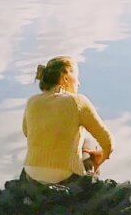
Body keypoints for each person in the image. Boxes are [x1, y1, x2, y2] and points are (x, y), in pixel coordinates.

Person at [22, 56, 113, 184]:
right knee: (89, 144)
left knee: (83, 143)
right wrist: (101, 159)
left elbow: (27, 133)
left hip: (31, 175)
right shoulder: (77, 101)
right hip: (64, 178)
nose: (79, 83)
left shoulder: (32, 101)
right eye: (77, 76)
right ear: (65, 78)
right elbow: (108, 142)